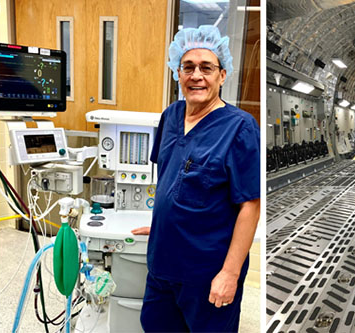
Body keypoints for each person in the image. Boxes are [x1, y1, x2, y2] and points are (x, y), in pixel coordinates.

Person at [131, 25, 261, 332]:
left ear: (222, 75)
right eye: (188, 67)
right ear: (178, 73)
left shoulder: (240, 128)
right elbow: (172, 179)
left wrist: (229, 274)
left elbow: (250, 206)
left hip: (207, 272)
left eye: (207, 67)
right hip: (162, 264)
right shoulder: (171, 116)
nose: (197, 75)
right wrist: (166, 222)